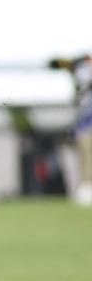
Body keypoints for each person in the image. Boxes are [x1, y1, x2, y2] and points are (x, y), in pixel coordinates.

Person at [49, 54, 92, 205]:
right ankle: (87, 186)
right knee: (85, 153)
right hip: (84, 120)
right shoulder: (78, 67)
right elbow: (54, 63)